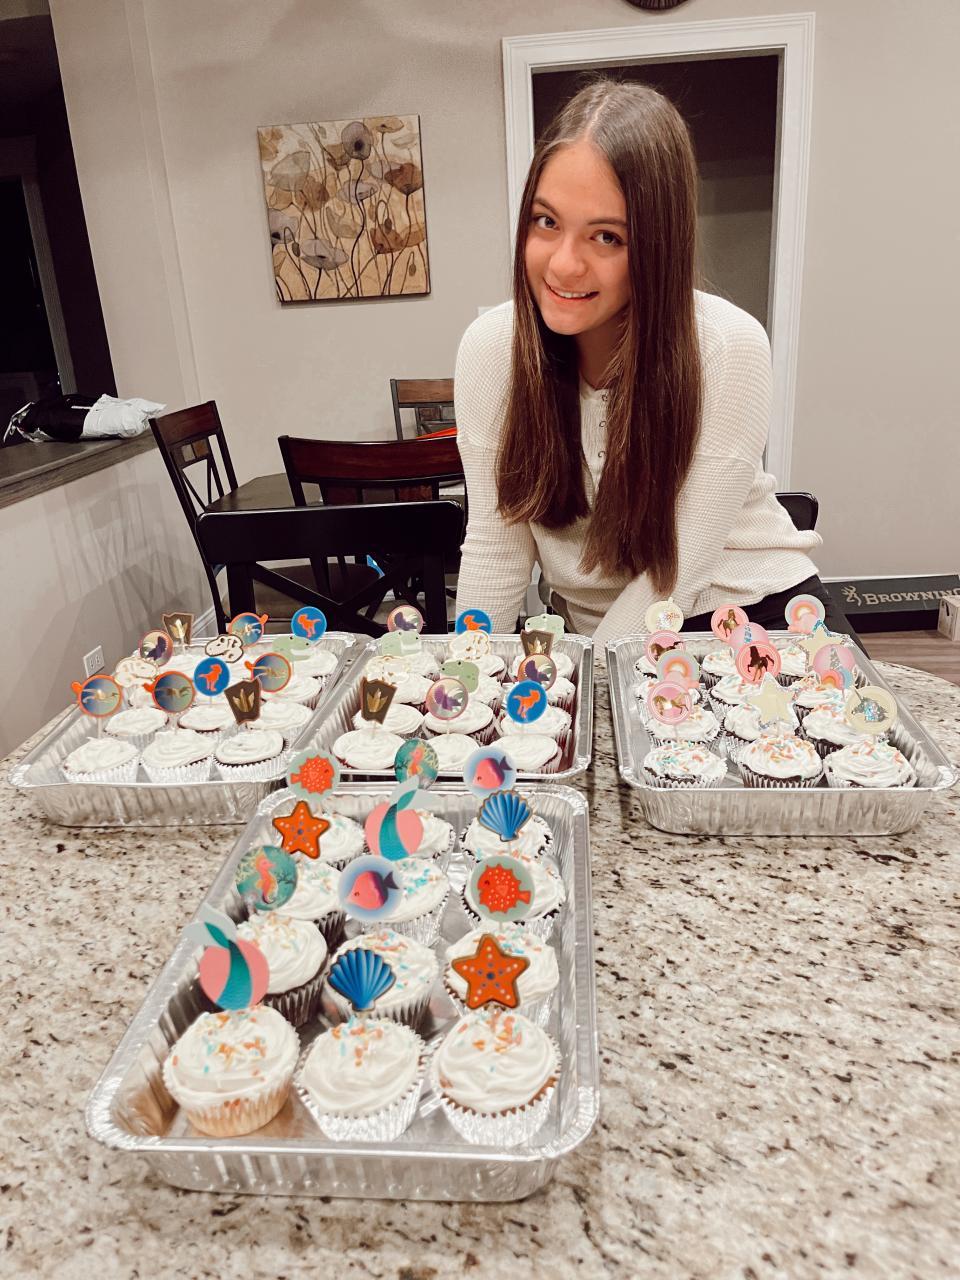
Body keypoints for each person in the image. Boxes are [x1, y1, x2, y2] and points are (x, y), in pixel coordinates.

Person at [453, 79, 846, 647]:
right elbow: (496, 545)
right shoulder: (492, 349)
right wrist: (469, 671)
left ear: (660, 244)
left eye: (607, 237)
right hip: (599, 635)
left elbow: (678, 567)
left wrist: (595, 674)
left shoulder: (727, 345)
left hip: (751, 612)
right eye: (547, 222)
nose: (563, 265)